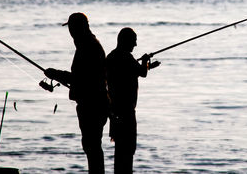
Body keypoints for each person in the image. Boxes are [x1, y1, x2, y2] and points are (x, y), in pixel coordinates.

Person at [44, 13, 109, 174]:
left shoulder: (88, 46)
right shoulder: (87, 44)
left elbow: (81, 78)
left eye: (73, 28)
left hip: (92, 104)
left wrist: (56, 74)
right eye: (70, 28)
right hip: (93, 102)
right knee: (91, 146)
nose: (70, 32)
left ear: (82, 27)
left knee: (92, 146)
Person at [106, 27, 160, 174]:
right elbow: (141, 73)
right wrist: (145, 61)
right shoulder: (126, 57)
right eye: (133, 41)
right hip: (126, 112)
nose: (135, 45)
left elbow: (131, 72)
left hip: (115, 111)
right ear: (125, 41)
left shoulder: (111, 57)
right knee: (128, 149)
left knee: (120, 151)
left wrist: (147, 65)